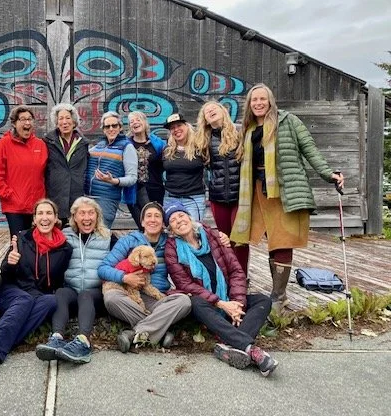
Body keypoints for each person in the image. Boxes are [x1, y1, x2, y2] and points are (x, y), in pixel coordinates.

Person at [230, 83, 344, 308]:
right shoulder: (248, 128)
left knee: (282, 241)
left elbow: (309, 149)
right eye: (254, 100)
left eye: (262, 99)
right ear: (249, 104)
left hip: (283, 191)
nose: (258, 103)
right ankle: (275, 294)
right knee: (266, 241)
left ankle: (278, 297)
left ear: (270, 101)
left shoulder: (288, 121)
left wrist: (328, 174)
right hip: (256, 192)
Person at [163, 201, 277, 377]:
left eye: (181, 215)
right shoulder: (172, 249)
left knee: (263, 300)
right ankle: (250, 349)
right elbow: (185, 285)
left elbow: (236, 271)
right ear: (170, 229)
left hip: (229, 297)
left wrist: (237, 304)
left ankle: (229, 345)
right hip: (207, 306)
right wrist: (222, 304)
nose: (179, 221)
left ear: (189, 218)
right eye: (172, 220)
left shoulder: (213, 236)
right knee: (195, 302)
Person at [0, 199, 73, 378]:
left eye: (49, 213)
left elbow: (57, 281)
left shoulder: (65, 249)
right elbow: (4, 274)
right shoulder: (22, 238)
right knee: (25, 298)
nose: (44, 217)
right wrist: (10, 263)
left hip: (37, 296)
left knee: (51, 301)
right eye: (40, 213)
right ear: (34, 219)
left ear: (56, 218)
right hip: (11, 292)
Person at [98, 202, 191, 352]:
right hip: (128, 296)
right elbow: (103, 269)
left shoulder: (171, 243)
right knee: (111, 298)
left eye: (157, 216)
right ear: (142, 221)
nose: (152, 220)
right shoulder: (129, 241)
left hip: (156, 298)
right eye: (148, 216)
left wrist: (221, 237)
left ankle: (134, 333)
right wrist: (125, 278)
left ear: (163, 223)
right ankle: (160, 332)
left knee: (184, 302)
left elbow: (194, 238)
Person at [35, 197, 118, 364]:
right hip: (72, 289)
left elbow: (121, 261)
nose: (86, 218)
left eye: (91, 213)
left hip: (96, 293)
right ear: (74, 216)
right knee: (61, 293)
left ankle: (83, 342)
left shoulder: (108, 237)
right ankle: (56, 338)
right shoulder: (64, 235)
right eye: (82, 213)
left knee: (85, 295)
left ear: (97, 216)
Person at [194, 101, 249, 275]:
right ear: (205, 119)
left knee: (239, 239)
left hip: (240, 196)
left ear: (223, 111)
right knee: (224, 238)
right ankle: (229, 275)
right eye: (206, 111)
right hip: (218, 196)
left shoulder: (239, 131)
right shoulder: (204, 138)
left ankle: (241, 276)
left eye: (214, 108)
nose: (210, 110)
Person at [0, 105, 48, 237]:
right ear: (14, 123)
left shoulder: (40, 145)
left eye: (29, 119)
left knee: (37, 242)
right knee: (19, 243)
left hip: (37, 206)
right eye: (22, 119)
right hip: (15, 207)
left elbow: (47, 174)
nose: (27, 123)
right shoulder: (4, 144)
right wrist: (9, 195)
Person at [85, 111, 137, 228]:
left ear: (120, 127)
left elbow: (132, 178)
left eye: (114, 125)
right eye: (107, 126)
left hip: (107, 200)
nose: (111, 129)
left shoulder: (127, 147)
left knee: (101, 234)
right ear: (103, 129)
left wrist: (113, 181)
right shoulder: (98, 146)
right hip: (87, 198)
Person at [44, 103, 89, 226]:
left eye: (68, 118)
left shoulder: (83, 144)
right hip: (55, 195)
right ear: (56, 122)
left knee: (76, 230)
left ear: (74, 122)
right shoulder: (48, 142)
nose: (64, 122)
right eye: (61, 118)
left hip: (76, 196)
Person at [126, 111, 166, 230]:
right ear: (129, 126)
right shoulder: (126, 144)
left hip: (156, 189)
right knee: (143, 226)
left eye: (138, 120)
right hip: (134, 192)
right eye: (132, 121)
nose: (135, 123)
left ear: (145, 123)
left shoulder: (157, 143)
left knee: (156, 225)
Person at [163, 113, 206, 221]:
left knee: (194, 229)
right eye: (172, 128)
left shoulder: (200, 147)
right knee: (172, 229)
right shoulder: (167, 150)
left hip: (193, 199)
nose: (176, 129)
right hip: (170, 198)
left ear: (187, 126)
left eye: (179, 125)